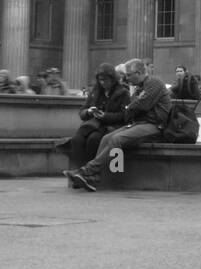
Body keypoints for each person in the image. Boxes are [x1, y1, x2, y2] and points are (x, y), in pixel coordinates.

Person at [65, 59, 173, 192]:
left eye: (128, 75)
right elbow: (130, 110)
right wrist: (134, 105)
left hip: (154, 126)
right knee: (106, 138)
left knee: (117, 139)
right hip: (138, 124)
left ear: (138, 73)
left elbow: (141, 106)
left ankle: (87, 171)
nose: (126, 78)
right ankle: (93, 177)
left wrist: (133, 105)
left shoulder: (154, 83)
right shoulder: (139, 88)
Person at [57, 63, 130, 178]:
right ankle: (80, 171)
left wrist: (105, 116)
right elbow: (82, 112)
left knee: (93, 140)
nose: (103, 83)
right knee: (76, 140)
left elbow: (124, 116)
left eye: (105, 80)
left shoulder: (123, 93)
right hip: (92, 125)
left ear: (112, 79)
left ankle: (90, 174)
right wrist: (89, 112)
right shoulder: (96, 91)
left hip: (109, 126)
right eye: (100, 80)